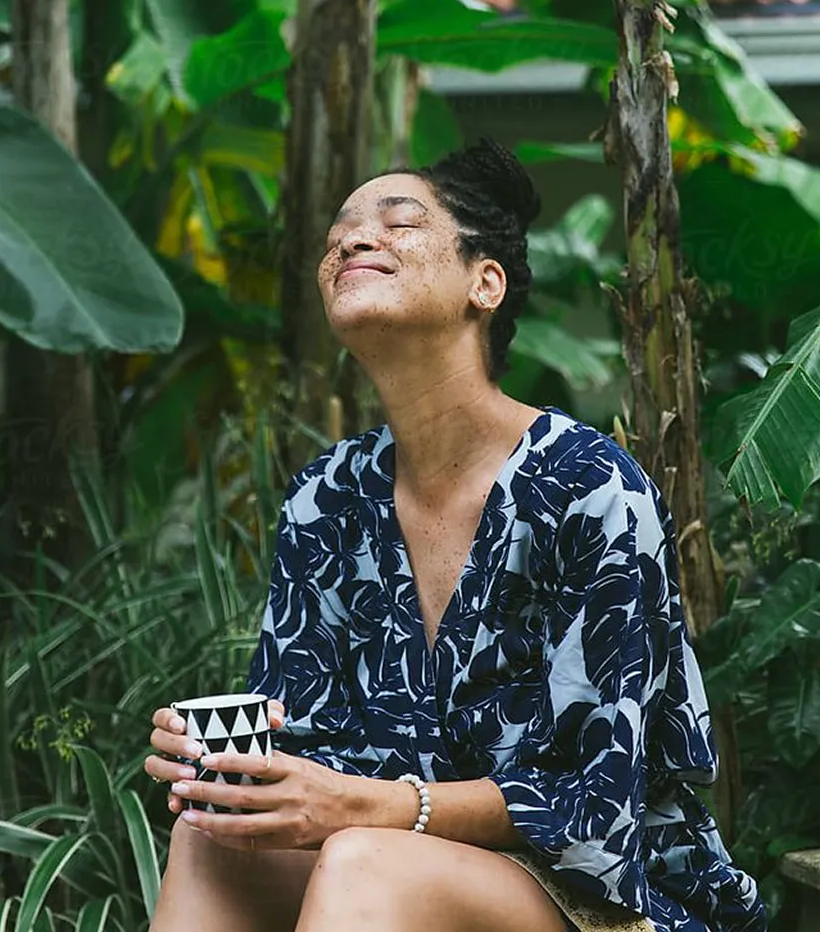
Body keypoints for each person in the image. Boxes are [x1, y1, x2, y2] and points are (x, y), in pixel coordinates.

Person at [144, 138, 766, 932]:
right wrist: (230, 770)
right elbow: (311, 752)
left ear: (486, 282)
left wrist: (382, 808)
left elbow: (593, 801)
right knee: (211, 844)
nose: (354, 241)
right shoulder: (325, 501)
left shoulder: (588, 489)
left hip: (605, 900)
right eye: (339, 235)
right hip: (387, 869)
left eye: (398, 222)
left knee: (365, 861)